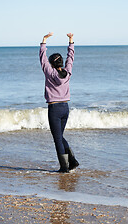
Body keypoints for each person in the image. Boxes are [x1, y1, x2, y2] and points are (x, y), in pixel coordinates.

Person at [39, 32, 79, 173]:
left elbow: (42, 59)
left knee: (57, 139)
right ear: (61, 62)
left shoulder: (50, 73)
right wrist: (71, 41)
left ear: (51, 64)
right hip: (65, 108)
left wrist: (43, 42)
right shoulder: (68, 73)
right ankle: (72, 161)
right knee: (60, 137)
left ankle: (64, 167)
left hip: (54, 109)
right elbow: (71, 58)